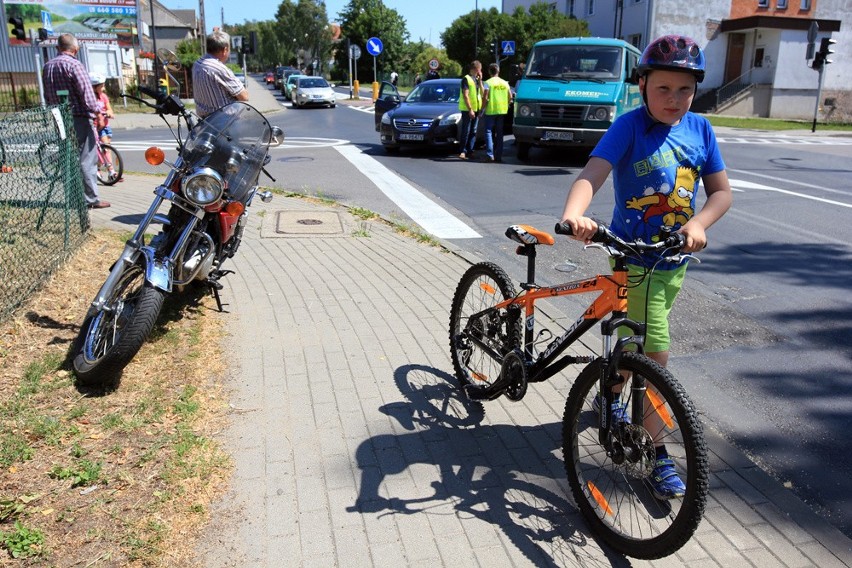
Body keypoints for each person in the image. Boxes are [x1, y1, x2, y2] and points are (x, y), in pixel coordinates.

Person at [559, 35, 732, 500]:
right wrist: (577, 213)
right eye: (663, 89)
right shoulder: (629, 127)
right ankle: (656, 452)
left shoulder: (700, 130)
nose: (674, 100)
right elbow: (592, 174)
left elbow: (721, 193)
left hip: (675, 261)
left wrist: (699, 222)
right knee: (653, 350)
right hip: (632, 256)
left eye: (685, 90)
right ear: (642, 86)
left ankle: (613, 395)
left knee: (632, 342)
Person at [42, 33, 110, 208]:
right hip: (78, 117)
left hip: (59, 117)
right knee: (87, 159)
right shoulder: (75, 65)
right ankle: (90, 199)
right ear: (76, 49)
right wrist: (99, 112)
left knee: (68, 157)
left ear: (58, 48)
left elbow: (47, 95)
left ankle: (72, 197)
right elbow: (87, 95)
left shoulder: (48, 66)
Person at [192, 29, 249, 118]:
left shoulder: (197, 64)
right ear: (225, 50)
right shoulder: (219, 69)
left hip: (205, 122)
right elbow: (244, 96)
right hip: (224, 122)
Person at [90, 73, 120, 182]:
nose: (103, 88)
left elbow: (109, 109)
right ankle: (106, 170)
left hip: (105, 126)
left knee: (105, 149)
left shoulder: (103, 96)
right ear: (94, 87)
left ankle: (105, 170)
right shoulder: (90, 97)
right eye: (101, 86)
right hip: (96, 127)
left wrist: (109, 112)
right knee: (102, 149)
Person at [481, 63, 512, 163]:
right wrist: (506, 104)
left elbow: (485, 97)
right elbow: (510, 96)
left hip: (491, 110)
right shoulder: (505, 83)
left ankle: (490, 154)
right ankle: (498, 156)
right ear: (498, 71)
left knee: (488, 132)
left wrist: (482, 109)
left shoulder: (488, 83)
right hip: (502, 111)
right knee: (499, 133)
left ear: (489, 72)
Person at [457, 60, 483, 160]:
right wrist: (470, 109)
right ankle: (463, 151)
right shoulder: (466, 79)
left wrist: (480, 81)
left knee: (473, 131)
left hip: (476, 108)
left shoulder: (476, 79)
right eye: (480, 70)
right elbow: (465, 95)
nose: (480, 72)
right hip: (468, 109)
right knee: (466, 130)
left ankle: (470, 150)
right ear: (476, 69)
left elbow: (482, 92)